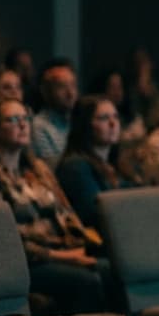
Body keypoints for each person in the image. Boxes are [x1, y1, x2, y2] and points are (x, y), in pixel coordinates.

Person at [0, 98, 107, 316]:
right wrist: (66, 257)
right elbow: (2, 240)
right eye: (12, 120)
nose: (22, 125)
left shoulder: (37, 169)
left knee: (112, 266)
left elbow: (67, 213)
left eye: (25, 119)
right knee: (88, 280)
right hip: (26, 262)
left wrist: (80, 246)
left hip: (61, 249)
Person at [55, 95, 126, 229]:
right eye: (103, 118)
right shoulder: (75, 167)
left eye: (115, 116)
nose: (113, 123)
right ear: (85, 124)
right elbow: (96, 215)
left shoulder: (118, 165)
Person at [31, 58, 79, 168]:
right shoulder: (39, 126)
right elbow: (55, 171)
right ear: (45, 91)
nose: (70, 93)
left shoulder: (79, 121)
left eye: (73, 85)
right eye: (62, 86)